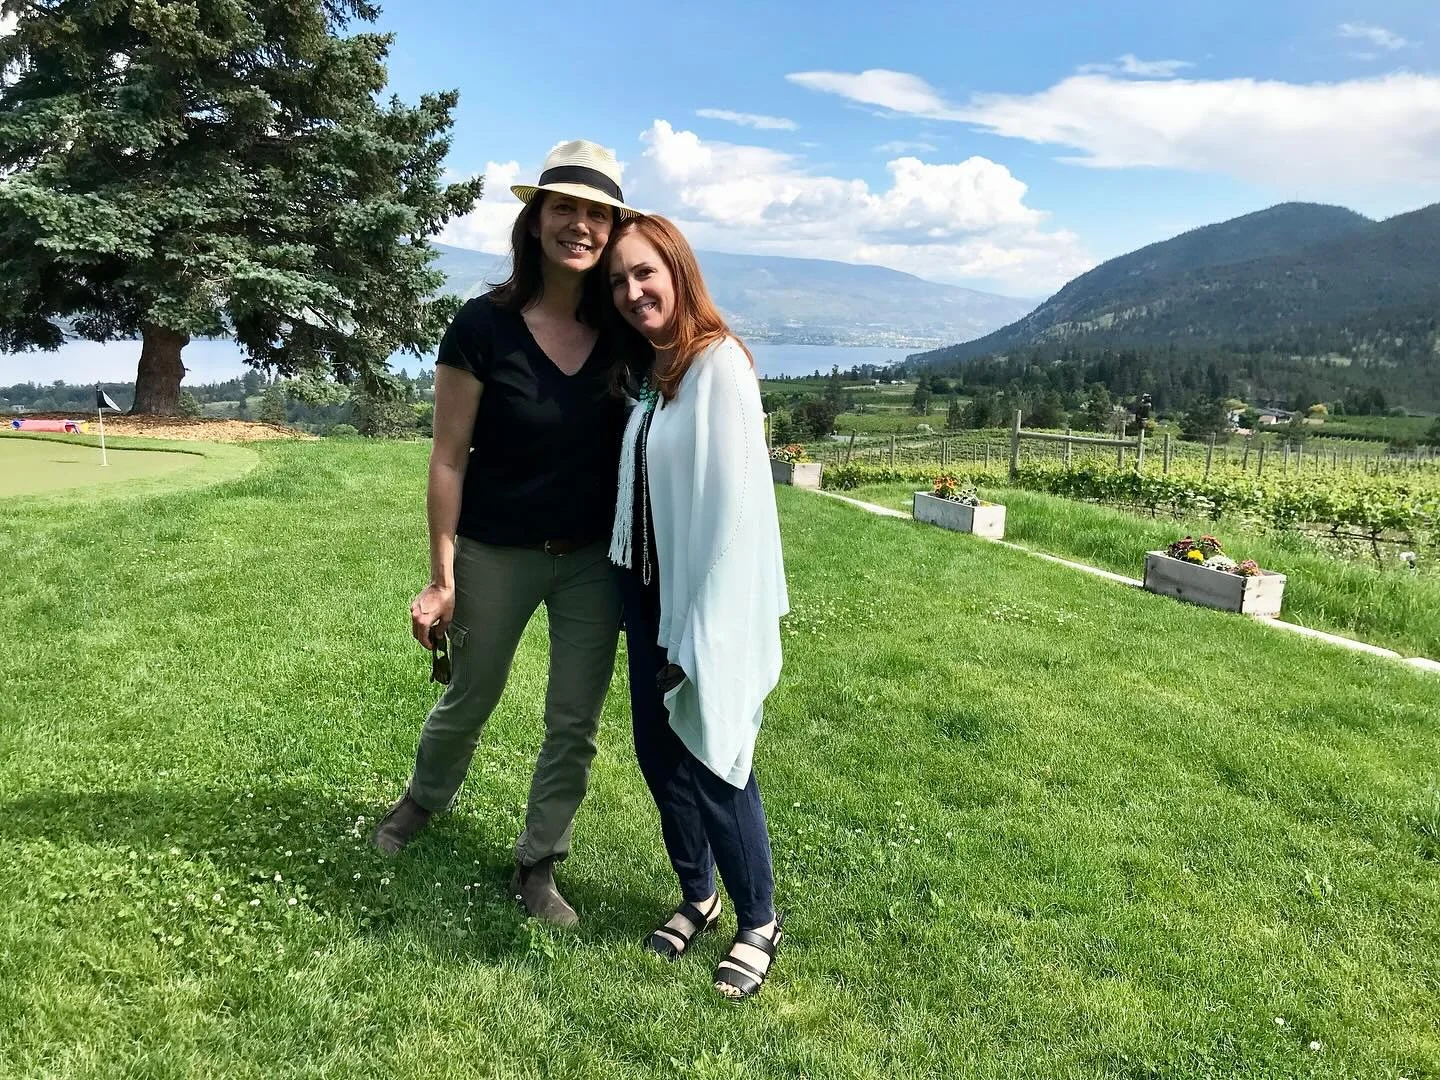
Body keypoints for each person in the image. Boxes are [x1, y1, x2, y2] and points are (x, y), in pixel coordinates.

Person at [370, 141, 639, 928]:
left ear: (613, 229)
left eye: (597, 214)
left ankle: (538, 863)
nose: (581, 226)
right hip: (494, 550)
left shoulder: (623, 329)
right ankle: (422, 801)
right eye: (566, 208)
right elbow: (449, 459)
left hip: (592, 561)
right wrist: (441, 574)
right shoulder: (482, 326)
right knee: (470, 693)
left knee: (574, 721)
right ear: (536, 218)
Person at [606, 215, 790, 1000]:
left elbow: (734, 513)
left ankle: (759, 922)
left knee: (718, 755)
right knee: (660, 754)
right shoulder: (657, 373)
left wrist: (699, 626)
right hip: (646, 590)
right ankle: (698, 897)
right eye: (617, 281)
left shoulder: (720, 365)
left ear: (678, 270)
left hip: (704, 599)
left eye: (644, 272)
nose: (632, 291)